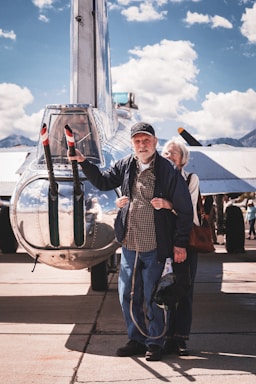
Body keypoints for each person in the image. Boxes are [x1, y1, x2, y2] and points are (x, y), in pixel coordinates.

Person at [68, 122, 193, 361]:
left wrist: (179, 243)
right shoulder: (126, 165)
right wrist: (83, 162)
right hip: (129, 244)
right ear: (132, 144)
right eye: (137, 141)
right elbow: (104, 182)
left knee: (154, 297)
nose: (142, 144)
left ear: (155, 142)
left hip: (155, 246)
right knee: (127, 295)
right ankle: (136, 339)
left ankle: (155, 343)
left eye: (146, 140)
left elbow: (185, 209)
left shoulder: (168, 171)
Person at [159, 140, 200, 356]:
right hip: (164, 243)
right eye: (165, 152)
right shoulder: (158, 180)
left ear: (182, 159)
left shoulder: (191, 180)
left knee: (185, 290)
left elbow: (190, 211)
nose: (167, 156)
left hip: (186, 243)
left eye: (172, 153)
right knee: (165, 291)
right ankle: (166, 338)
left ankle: (180, 338)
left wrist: (169, 205)